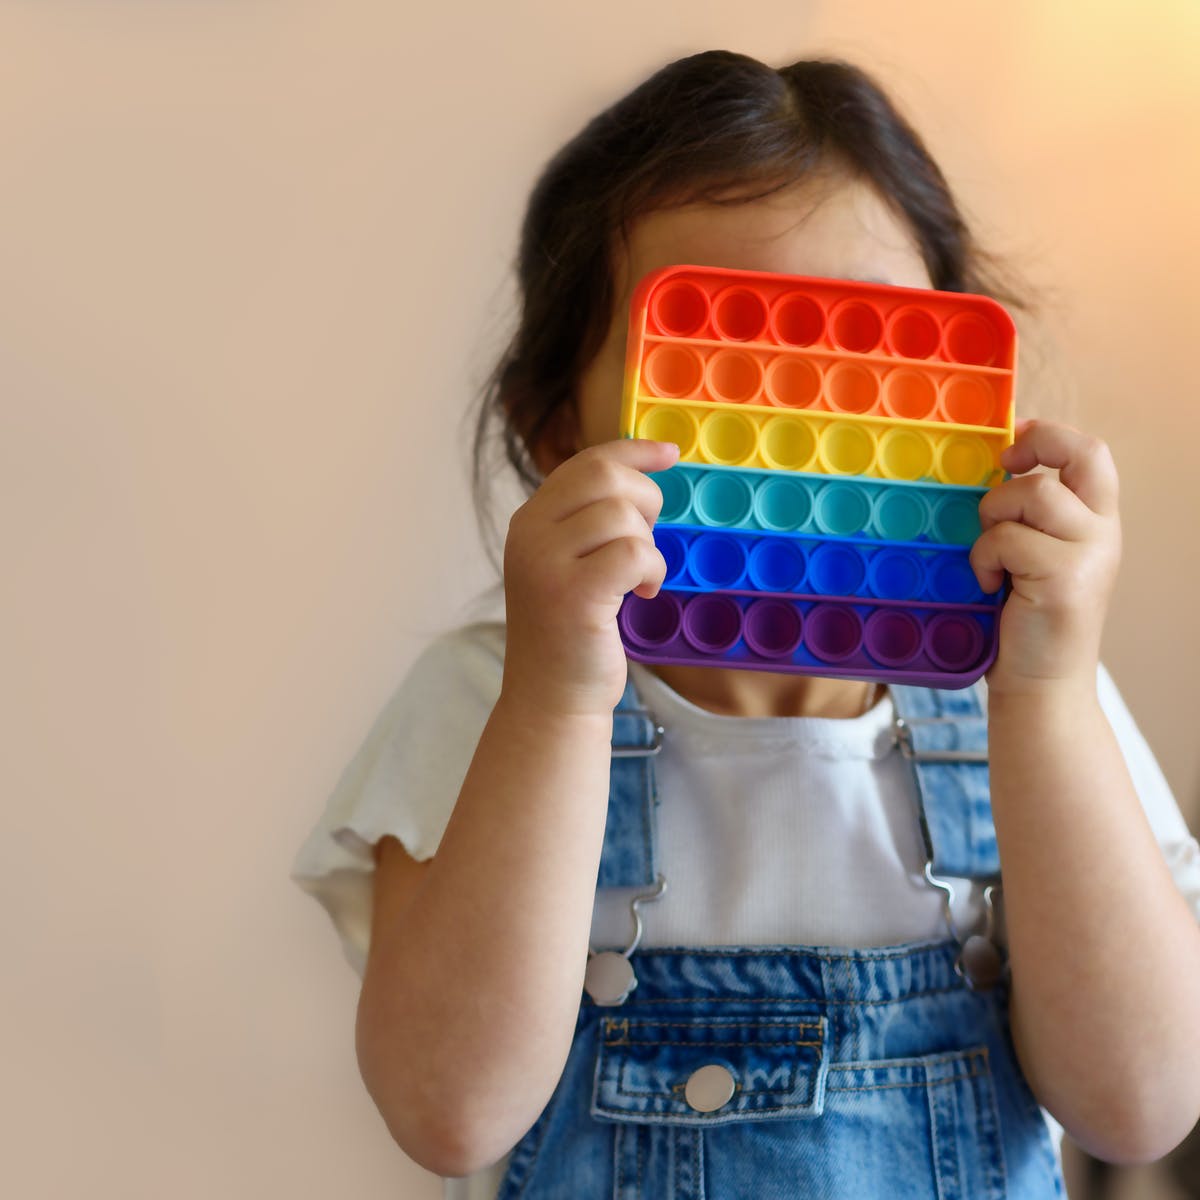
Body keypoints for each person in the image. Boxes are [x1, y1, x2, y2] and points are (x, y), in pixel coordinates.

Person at [291, 51, 1200, 1199]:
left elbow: (1144, 1100)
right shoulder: (492, 700)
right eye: (720, 366)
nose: (797, 433)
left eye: (875, 360)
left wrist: (1047, 696)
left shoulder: (1025, 700)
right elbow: (446, 1111)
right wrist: (558, 700)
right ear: (555, 434)